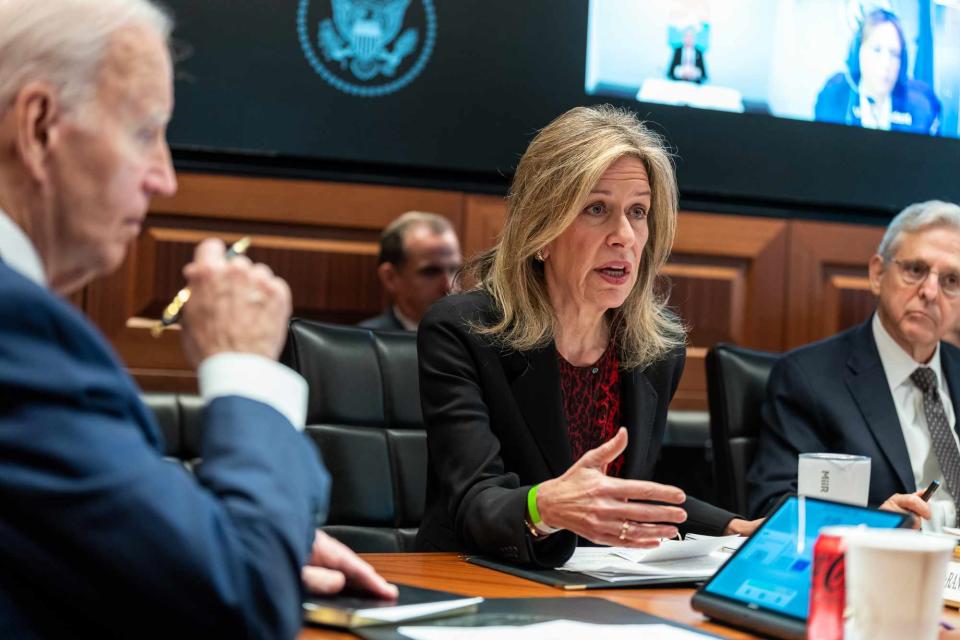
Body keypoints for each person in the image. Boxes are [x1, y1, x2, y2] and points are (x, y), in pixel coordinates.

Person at [0, 1, 394, 637]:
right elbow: (236, 611)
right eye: (144, 133)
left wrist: (220, 543)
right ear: (40, 126)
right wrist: (243, 364)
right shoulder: (17, 326)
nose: (166, 179)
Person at [415, 105, 758, 567]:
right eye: (597, 209)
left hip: (593, 589)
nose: (624, 236)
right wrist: (545, 508)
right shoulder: (463, 332)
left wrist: (736, 529)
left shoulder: (654, 351)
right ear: (542, 231)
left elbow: (622, 498)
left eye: (638, 212)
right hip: (476, 581)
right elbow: (475, 504)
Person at [748, 201, 960, 531]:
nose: (930, 292)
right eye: (915, 270)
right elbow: (775, 507)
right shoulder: (808, 379)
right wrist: (874, 523)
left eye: (951, 280)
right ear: (878, 274)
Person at [814, 9, 940, 135]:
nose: (886, 64)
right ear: (857, 53)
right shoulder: (832, 98)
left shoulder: (921, 109)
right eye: (876, 50)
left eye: (894, 54)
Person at [358, 211, 461, 331]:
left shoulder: (475, 341)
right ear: (390, 278)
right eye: (431, 272)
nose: (449, 286)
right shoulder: (364, 343)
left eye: (455, 270)